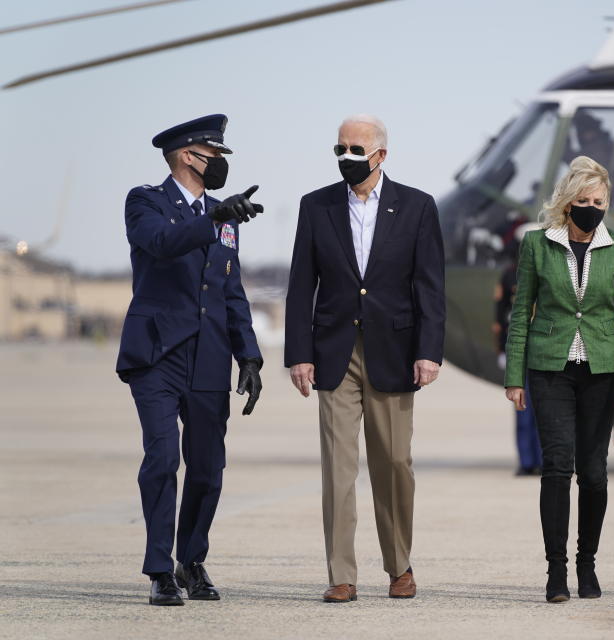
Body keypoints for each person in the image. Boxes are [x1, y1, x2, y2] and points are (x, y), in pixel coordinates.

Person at [284, 114, 445, 603]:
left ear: (380, 155)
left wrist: (429, 351)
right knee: (338, 466)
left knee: (394, 462)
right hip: (333, 353)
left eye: (356, 149)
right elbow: (299, 287)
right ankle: (341, 575)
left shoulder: (417, 207)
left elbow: (431, 288)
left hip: (394, 352)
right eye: (340, 149)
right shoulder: (316, 207)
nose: (346, 158)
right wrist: (299, 354)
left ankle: (399, 565)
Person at [116, 114, 265, 606]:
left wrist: (249, 354)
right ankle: (160, 569)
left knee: (207, 468)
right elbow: (160, 243)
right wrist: (215, 219)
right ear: (187, 155)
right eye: (214, 154)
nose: (220, 163)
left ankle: (191, 559)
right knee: (161, 459)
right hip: (158, 354)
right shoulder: (146, 201)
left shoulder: (223, 216)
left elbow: (231, 289)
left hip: (209, 356)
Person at [503, 156, 614, 603]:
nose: (591, 207)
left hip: (601, 372)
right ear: (568, 203)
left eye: (598, 200)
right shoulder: (536, 245)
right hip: (550, 369)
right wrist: (514, 377)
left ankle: (588, 565)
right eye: (583, 200)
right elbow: (521, 313)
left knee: (595, 474)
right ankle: (556, 572)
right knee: (557, 467)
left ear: (607, 203)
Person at [494, 224, 542, 476]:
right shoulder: (509, 276)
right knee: (522, 409)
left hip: (545, 351)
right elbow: (501, 316)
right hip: (519, 350)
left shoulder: (549, 270)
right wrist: (503, 349)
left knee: (547, 410)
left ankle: (546, 461)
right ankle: (526, 461)